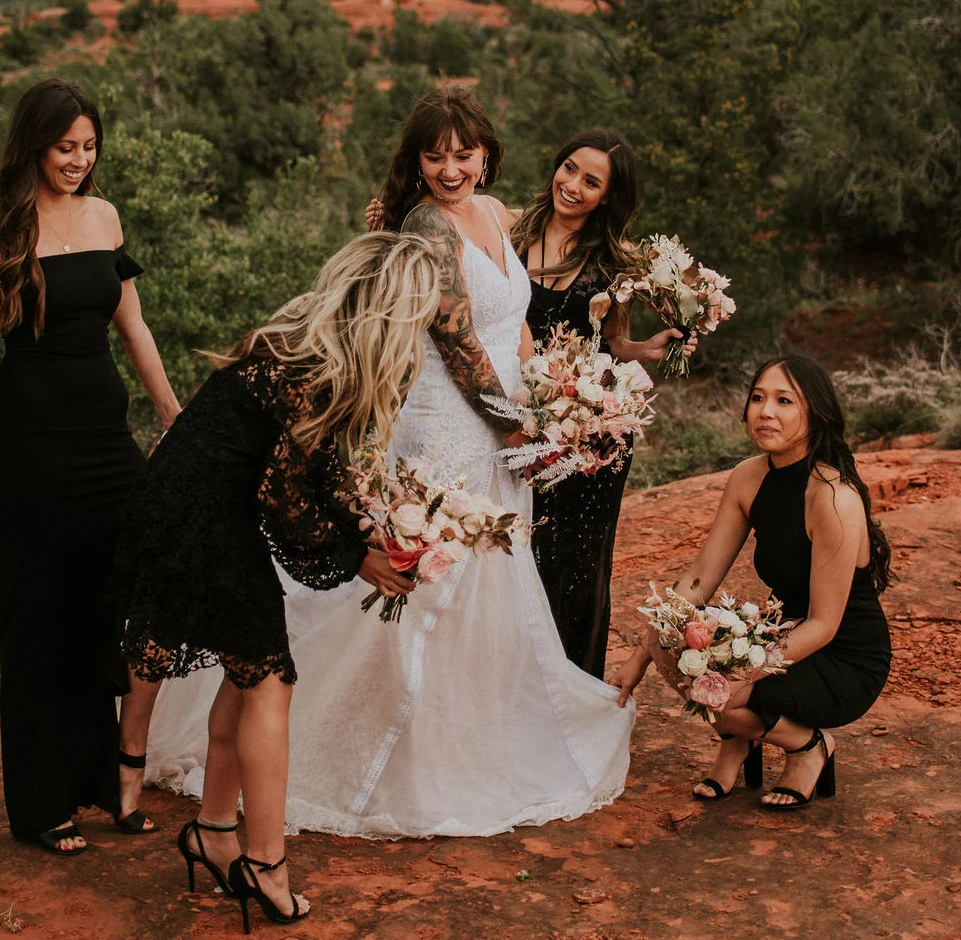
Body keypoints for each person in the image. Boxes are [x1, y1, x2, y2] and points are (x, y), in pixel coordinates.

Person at [146, 85, 635, 838]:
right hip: (451, 422)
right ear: (416, 161)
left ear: (486, 154)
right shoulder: (427, 228)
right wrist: (519, 434)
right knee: (424, 590)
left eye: (462, 152)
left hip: (507, 417)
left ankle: (471, 739)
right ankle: (386, 758)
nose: (449, 167)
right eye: (432, 155)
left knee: (487, 594)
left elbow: (518, 320)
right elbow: (460, 347)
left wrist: (554, 396)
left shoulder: (499, 212)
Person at [119, 232, 443, 927]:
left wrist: (364, 531)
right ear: (392, 311)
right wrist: (361, 555)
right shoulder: (316, 367)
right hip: (198, 511)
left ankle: (214, 830)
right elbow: (284, 495)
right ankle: (265, 861)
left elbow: (308, 474)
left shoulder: (308, 344)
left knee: (251, 671)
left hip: (194, 498)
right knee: (269, 678)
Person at [0, 78, 182, 855]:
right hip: (26, 451)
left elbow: (133, 324)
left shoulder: (104, 216)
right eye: (65, 148)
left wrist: (172, 413)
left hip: (103, 443)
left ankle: (102, 783)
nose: (79, 161)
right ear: (33, 145)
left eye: (89, 147)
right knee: (40, 619)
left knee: (108, 608)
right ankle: (42, 802)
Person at [615, 352, 892, 810]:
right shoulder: (748, 476)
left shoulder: (832, 496)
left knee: (719, 689)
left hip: (842, 657)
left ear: (815, 412)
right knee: (669, 644)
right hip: (779, 636)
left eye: (785, 400)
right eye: (758, 398)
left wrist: (743, 671)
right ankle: (738, 738)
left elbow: (824, 624)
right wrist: (643, 652)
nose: (766, 412)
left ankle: (807, 746)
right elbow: (700, 578)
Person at [511, 129, 680, 676]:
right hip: (516, 425)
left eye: (591, 181)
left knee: (575, 566)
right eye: (569, 169)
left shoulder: (616, 260)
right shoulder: (511, 231)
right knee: (514, 555)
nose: (573, 186)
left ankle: (569, 691)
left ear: (608, 195)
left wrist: (645, 351)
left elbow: (612, 343)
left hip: (589, 436)